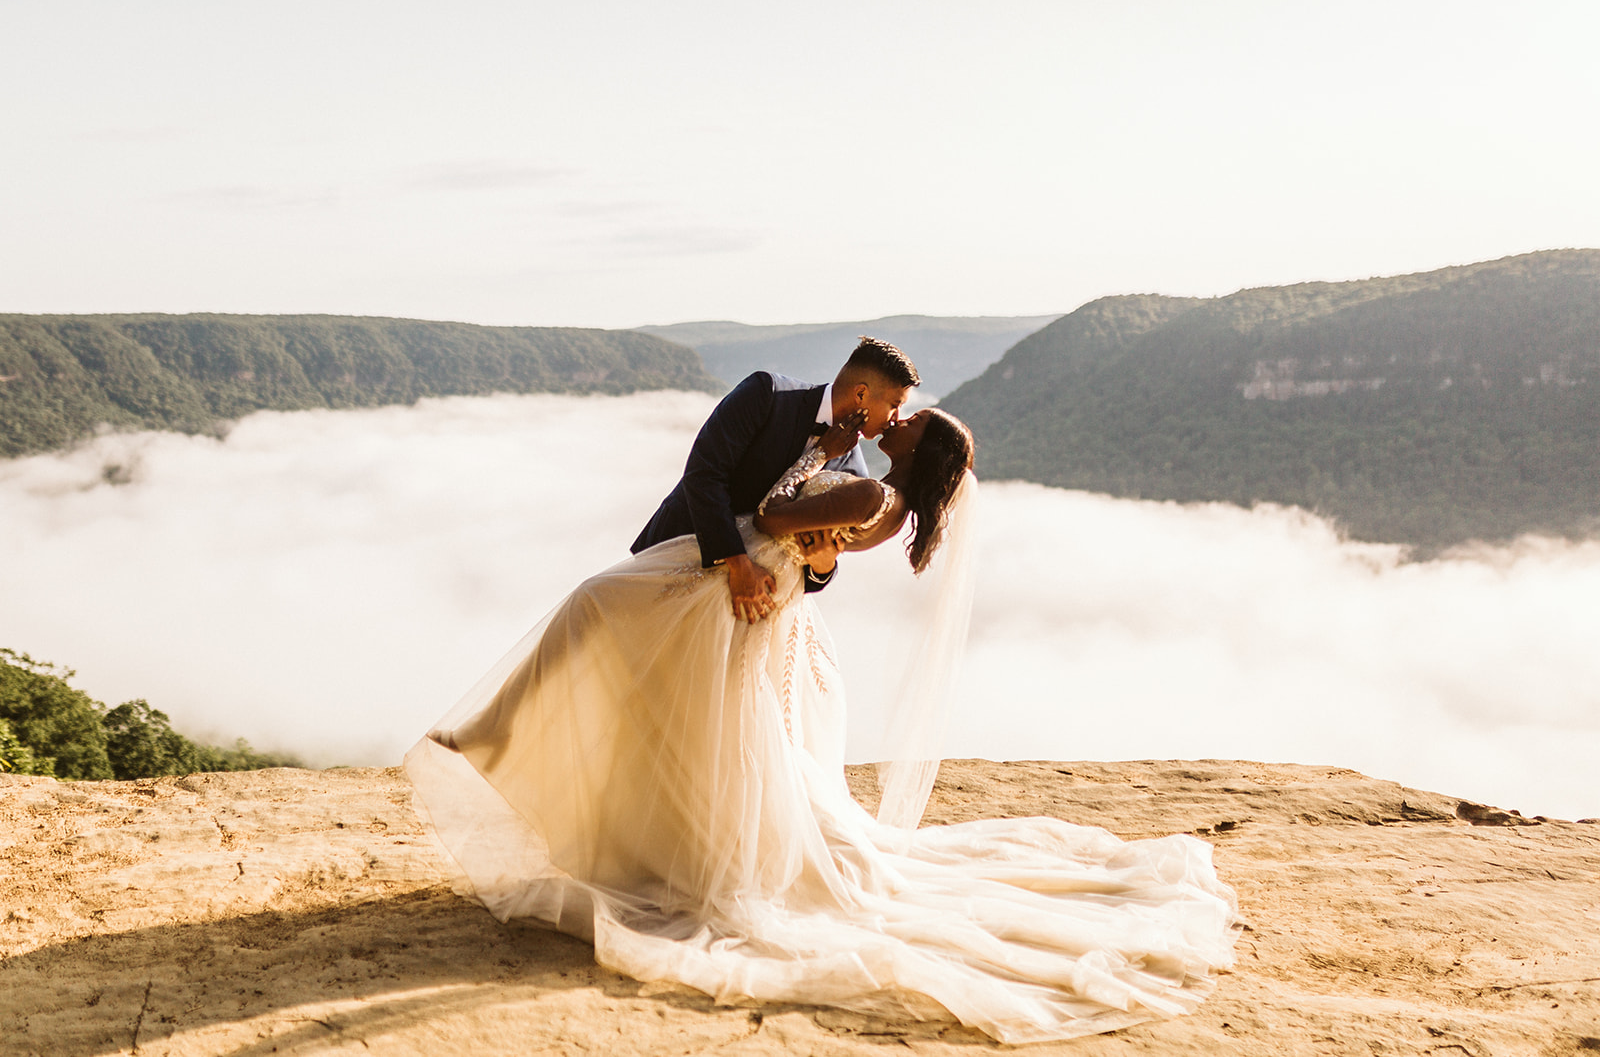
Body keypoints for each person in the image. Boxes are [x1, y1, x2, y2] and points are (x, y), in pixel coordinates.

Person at [406, 406, 1239, 1044]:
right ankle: (526, 758)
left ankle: (499, 738)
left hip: (726, 589)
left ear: (920, 448)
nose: (898, 420)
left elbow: (772, 518)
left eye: (910, 421)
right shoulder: (889, 506)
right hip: (762, 607)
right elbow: (813, 550)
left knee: (594, 604)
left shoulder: (874, 490)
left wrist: (819, 451)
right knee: (674, 709)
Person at [630, 336, 919, 618]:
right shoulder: (766, 394)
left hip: (737, 608)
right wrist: (738, 564)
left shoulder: (853, 470)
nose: (896, 417)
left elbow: (812, 561)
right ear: (861, 394)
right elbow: (704, 474)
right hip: (671, 555)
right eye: (895, 404)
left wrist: (822, 567)